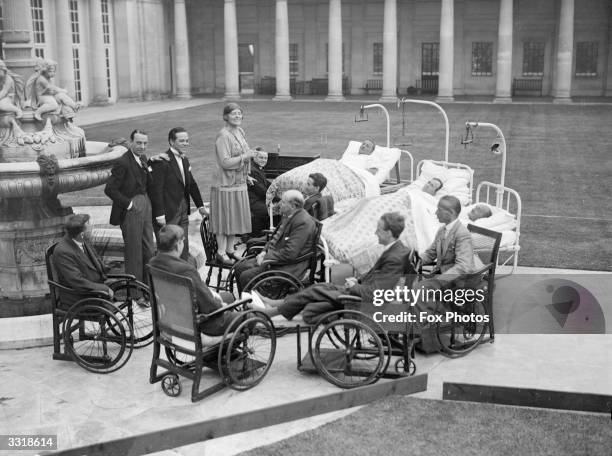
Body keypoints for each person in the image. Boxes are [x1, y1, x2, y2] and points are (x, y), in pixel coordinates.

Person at [253, 212, 411, 324]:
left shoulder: (394, 257)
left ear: (389, 232)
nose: (375, 232)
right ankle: (278, 305)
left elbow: (377, 293)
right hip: (362, 293)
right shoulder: (395, 249)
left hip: (364, 301)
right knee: (318, 293)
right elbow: (376, 277)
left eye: (378, 229)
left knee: (315, 293)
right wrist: (358, 279)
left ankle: (273, 311)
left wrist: (355, 286)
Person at [149, 225, 247, 336]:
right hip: (201, 324)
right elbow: (209, 306)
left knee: (229, 296)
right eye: (182, 241)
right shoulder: (185, 270)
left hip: (172, 318)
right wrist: (221, 305)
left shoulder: (153, 263)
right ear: (178, 244)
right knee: (249, 316)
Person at [233, 189, 317, 293]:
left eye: (283, 202)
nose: (279, 204)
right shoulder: (289, 215)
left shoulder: (303, 222)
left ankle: (252, 303)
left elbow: (290, 253)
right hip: (275, 258)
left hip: (288, 266)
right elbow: (274, 238)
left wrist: (266, 257)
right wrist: (263, 251)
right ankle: (245, 300)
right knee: (239, 268)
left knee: (245, 276)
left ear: (293, 206)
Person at [104, 129, 155, 284]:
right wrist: (129, 204)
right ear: (131, 142)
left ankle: (149, 286)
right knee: (134, 251)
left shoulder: (143, 158)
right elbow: (110, 189)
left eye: (145, 143)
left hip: (145, 205)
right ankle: (135, 290)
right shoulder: (122, 162)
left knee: (149, 248)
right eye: (138, 142)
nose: (142, 146)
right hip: (131, 209)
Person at [150, 127, 207, 260]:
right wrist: (159, 214)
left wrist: (200, 206)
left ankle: (183, 274)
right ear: (171, 141)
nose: (186, 143)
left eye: (187, 140)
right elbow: (156, 190)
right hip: (168, 211)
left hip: (183, 209)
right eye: (182, 141)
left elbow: (191, 184)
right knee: (169, 247)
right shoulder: (161, 161)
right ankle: (167, 276)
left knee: (183, 245)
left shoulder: (185, 159)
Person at [415, 195, 478, 313]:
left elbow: (463, 266)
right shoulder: (442, 230)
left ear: (451, 212)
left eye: (439, 210)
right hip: (443, 274)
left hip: (457, 281)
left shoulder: (462, 234)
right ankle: (417, 319)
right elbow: (430, 253)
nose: (435, 213)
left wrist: (441, 280)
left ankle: (419, 323)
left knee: (419, 289)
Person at [211, 103, 256, 265]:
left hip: (239, 182)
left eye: (239, 113)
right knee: (224, 219)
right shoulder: (223, 135)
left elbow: (244, 154)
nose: (237, 116)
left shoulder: (240, 131)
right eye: (233, 114)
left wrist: (247, 174)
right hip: (225, 184)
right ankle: (221, 252)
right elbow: (225, 162)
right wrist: (245, 157)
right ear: (226, 117)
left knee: (234, 218)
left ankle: (230, 250)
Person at [52, 214, 114, 308]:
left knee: (125, 283)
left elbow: (96, 262)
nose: (92, 227)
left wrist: (109, 267)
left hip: (94, 288)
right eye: (89, 225)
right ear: (82, 233)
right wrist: (104, 288)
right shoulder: (63, 251)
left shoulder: (82, 241)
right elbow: (77, 281)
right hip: (79, 297)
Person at [248, 149, 271, 237]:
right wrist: (279, 197)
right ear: (254, 157)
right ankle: (262, 235)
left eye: (265, 158)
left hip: (258, 199)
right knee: (276, 209)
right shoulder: (253, 170)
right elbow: (261, 191)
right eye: (261, 157)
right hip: (253, 202)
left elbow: (265, 182)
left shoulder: (257, 168)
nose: (264, 160)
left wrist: (277, 186)